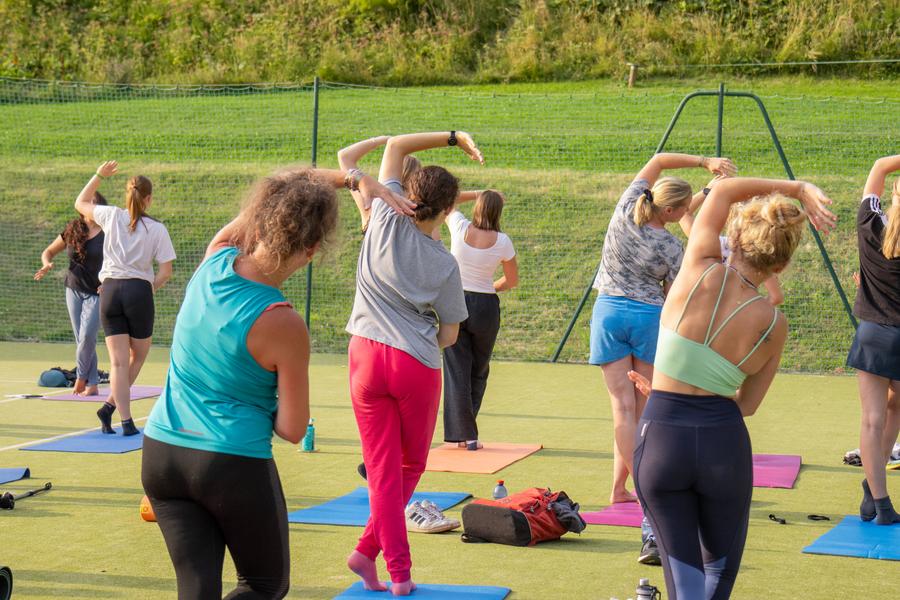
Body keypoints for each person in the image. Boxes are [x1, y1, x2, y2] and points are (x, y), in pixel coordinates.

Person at [141, 166, 397, 598]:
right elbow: (293, 429)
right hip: (229, 462)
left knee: (196, 587)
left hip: (162, 453)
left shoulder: (215, 256)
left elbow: (281, 179)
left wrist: (349, 179)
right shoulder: (283, 322)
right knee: (263, 586)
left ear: (258, 219)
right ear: (312, 249)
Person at [627, 177, 836, 599]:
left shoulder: (698, 267)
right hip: (723, 444)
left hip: (663, 436)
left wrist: (797, 188)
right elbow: (747, 403)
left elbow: (722, 192)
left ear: (734, 237)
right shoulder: (774, 324)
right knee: (715, 584)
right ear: (780, 266)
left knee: (685, 584)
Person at [342, 130, 482, 596]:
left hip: (363, 355)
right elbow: (449, 333)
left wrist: (451, 137)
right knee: (404, 468)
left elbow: (397, 146)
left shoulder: (383, 211)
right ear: (447, 211)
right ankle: (398, 574)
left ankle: (366, 553)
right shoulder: (445, 263)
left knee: (383, 469)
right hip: (413, 364)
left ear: (408, 189)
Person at [590, 152, 736, 564]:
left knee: (622, 408)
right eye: (684, 209)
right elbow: (676, 291)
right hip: (647, 319)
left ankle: (622, 487)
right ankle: (646, 490)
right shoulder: (672, 246)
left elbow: (657, 159)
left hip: (608, 314)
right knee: (644, 407)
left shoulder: (626, 207)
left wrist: (703, 161)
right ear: (671, 212)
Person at [74, 161, 176, 435]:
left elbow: (80, 202)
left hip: (108, 291)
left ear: (127, 195)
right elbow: (166, 272)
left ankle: (115, 413)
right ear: (149, 198)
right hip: (137, 292)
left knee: (117, 363)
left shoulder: (110, 215)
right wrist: (149, 287)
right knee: (137, 357)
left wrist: (98, 175)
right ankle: (119, 416)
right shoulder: (156, 228)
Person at [441, 189, 518, 450]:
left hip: (456, 302)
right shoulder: (503, 241)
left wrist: (477, 193)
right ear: (499, 212)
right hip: (485, 307)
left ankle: (463, 434)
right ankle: (469, 434)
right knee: (479, 370)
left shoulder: (459, 225)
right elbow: (512, 280)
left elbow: (447, 201)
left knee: (456, 370)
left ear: (477, 206)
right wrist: (489, 288)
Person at [848, 155, 900, 525]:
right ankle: (874, 494)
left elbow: (880, 165)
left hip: (872, 335)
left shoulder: (870, 223)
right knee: (894, 410)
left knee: (871, 420)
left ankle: (879, 502)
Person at [34, 191, 108, 396]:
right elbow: (48, 252)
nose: (87, 206)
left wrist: (109, 281)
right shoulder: (73, 229)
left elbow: (119, 260)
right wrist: (46, 264)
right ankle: (93, 384)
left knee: (87, 336)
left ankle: (81, 377)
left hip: (97, 291)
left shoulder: (109, 231)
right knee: (81, 338)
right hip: (73, 288)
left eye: (92, 203)